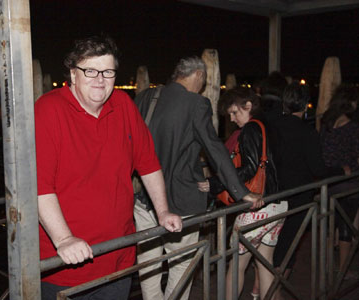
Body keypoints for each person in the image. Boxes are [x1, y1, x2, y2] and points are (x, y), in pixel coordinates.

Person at [34, 34, 182, 300]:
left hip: (119, 256)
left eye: (108, 71)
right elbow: (37, 187)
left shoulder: (123, 104)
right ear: (73, 73)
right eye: (90, 70)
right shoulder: (48, 110)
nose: (100, 79)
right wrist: (64, 239)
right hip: (65, 266)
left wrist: (163, 211)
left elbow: (148, 163)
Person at [134, 57, 263, 300]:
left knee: (148, 267)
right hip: (181, 200)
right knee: (181, 266)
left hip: (144, 198)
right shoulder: (196, 103)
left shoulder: (145, 98)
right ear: (199, 77)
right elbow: (214, 149)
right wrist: (240, 191)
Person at [270, 82, 347, 299]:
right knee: (289, 244)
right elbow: (319, 169)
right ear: (305, 105)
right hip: (298, 194)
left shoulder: (272, 125)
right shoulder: (307, 132)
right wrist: (341, 170)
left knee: (273, 243)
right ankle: (275, 292)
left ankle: (268, 291)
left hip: (274, 192)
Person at [209, 87, 286, 300]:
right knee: (265, 264)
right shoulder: (272, 126)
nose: (232, 119)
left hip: (258, 207)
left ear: (248, 106)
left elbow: (249, 168)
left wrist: (215, 184)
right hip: (278, 203)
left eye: (234, 112)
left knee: (236, 265)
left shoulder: (251, 129)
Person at [320, 84, 359, 280]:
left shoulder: (327, 124)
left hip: (329, 181)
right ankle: (343, 269)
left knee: (330, 226)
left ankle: (327, 266)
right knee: (346, 226)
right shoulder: (352, 128)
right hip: (349, 183)